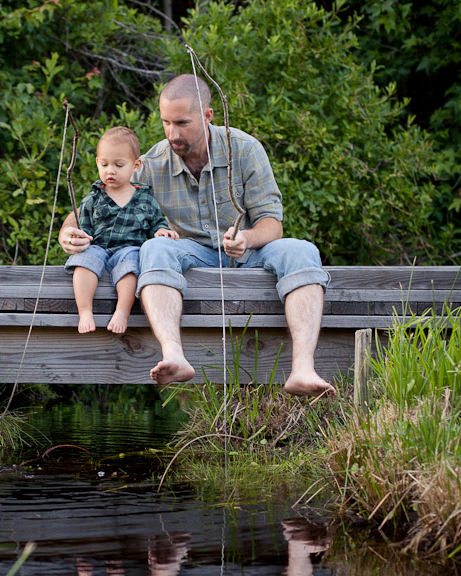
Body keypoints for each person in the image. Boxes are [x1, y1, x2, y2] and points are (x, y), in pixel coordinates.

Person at [60, 76, 334, 394]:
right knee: (154, 247)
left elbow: (272, 224)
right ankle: (174, 356)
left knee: (302, 250)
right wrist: (68, 231)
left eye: (182, 123)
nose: (172, 133)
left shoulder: (245, 150)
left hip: (249, 253)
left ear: (207, 115)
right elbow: (99, 197)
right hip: (190, 253)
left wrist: (246, 238)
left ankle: (303, 370)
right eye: (166, 122)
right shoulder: (152, 163)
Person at [65, 125, 177, 334]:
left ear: (135, 165)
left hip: (128, 249)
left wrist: (161, 231)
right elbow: (84, 227)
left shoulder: (145, 199)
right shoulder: (93, 199)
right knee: (84, 261)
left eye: (118, 165)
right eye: (104, 164)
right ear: (97, 163)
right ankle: (85, 311)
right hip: (97, 247)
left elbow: (156, 223)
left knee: (131, 265)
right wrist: (79, 238)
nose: (110, 170)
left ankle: (122, 311)